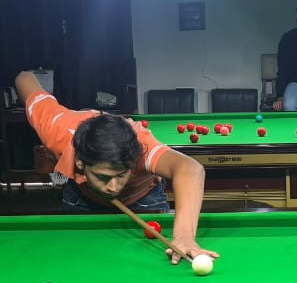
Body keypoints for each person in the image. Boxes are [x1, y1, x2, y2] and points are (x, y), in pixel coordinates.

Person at [14, 70, 219, 265]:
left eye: (121, 175)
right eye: (103, 177)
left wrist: (184, 237)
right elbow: (24, 78)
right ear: (80, 162)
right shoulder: (56, 129)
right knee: (77, 259)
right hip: (81, 197)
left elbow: (190, 169)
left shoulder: (141, 147)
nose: (113, 187)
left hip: (143, 198)